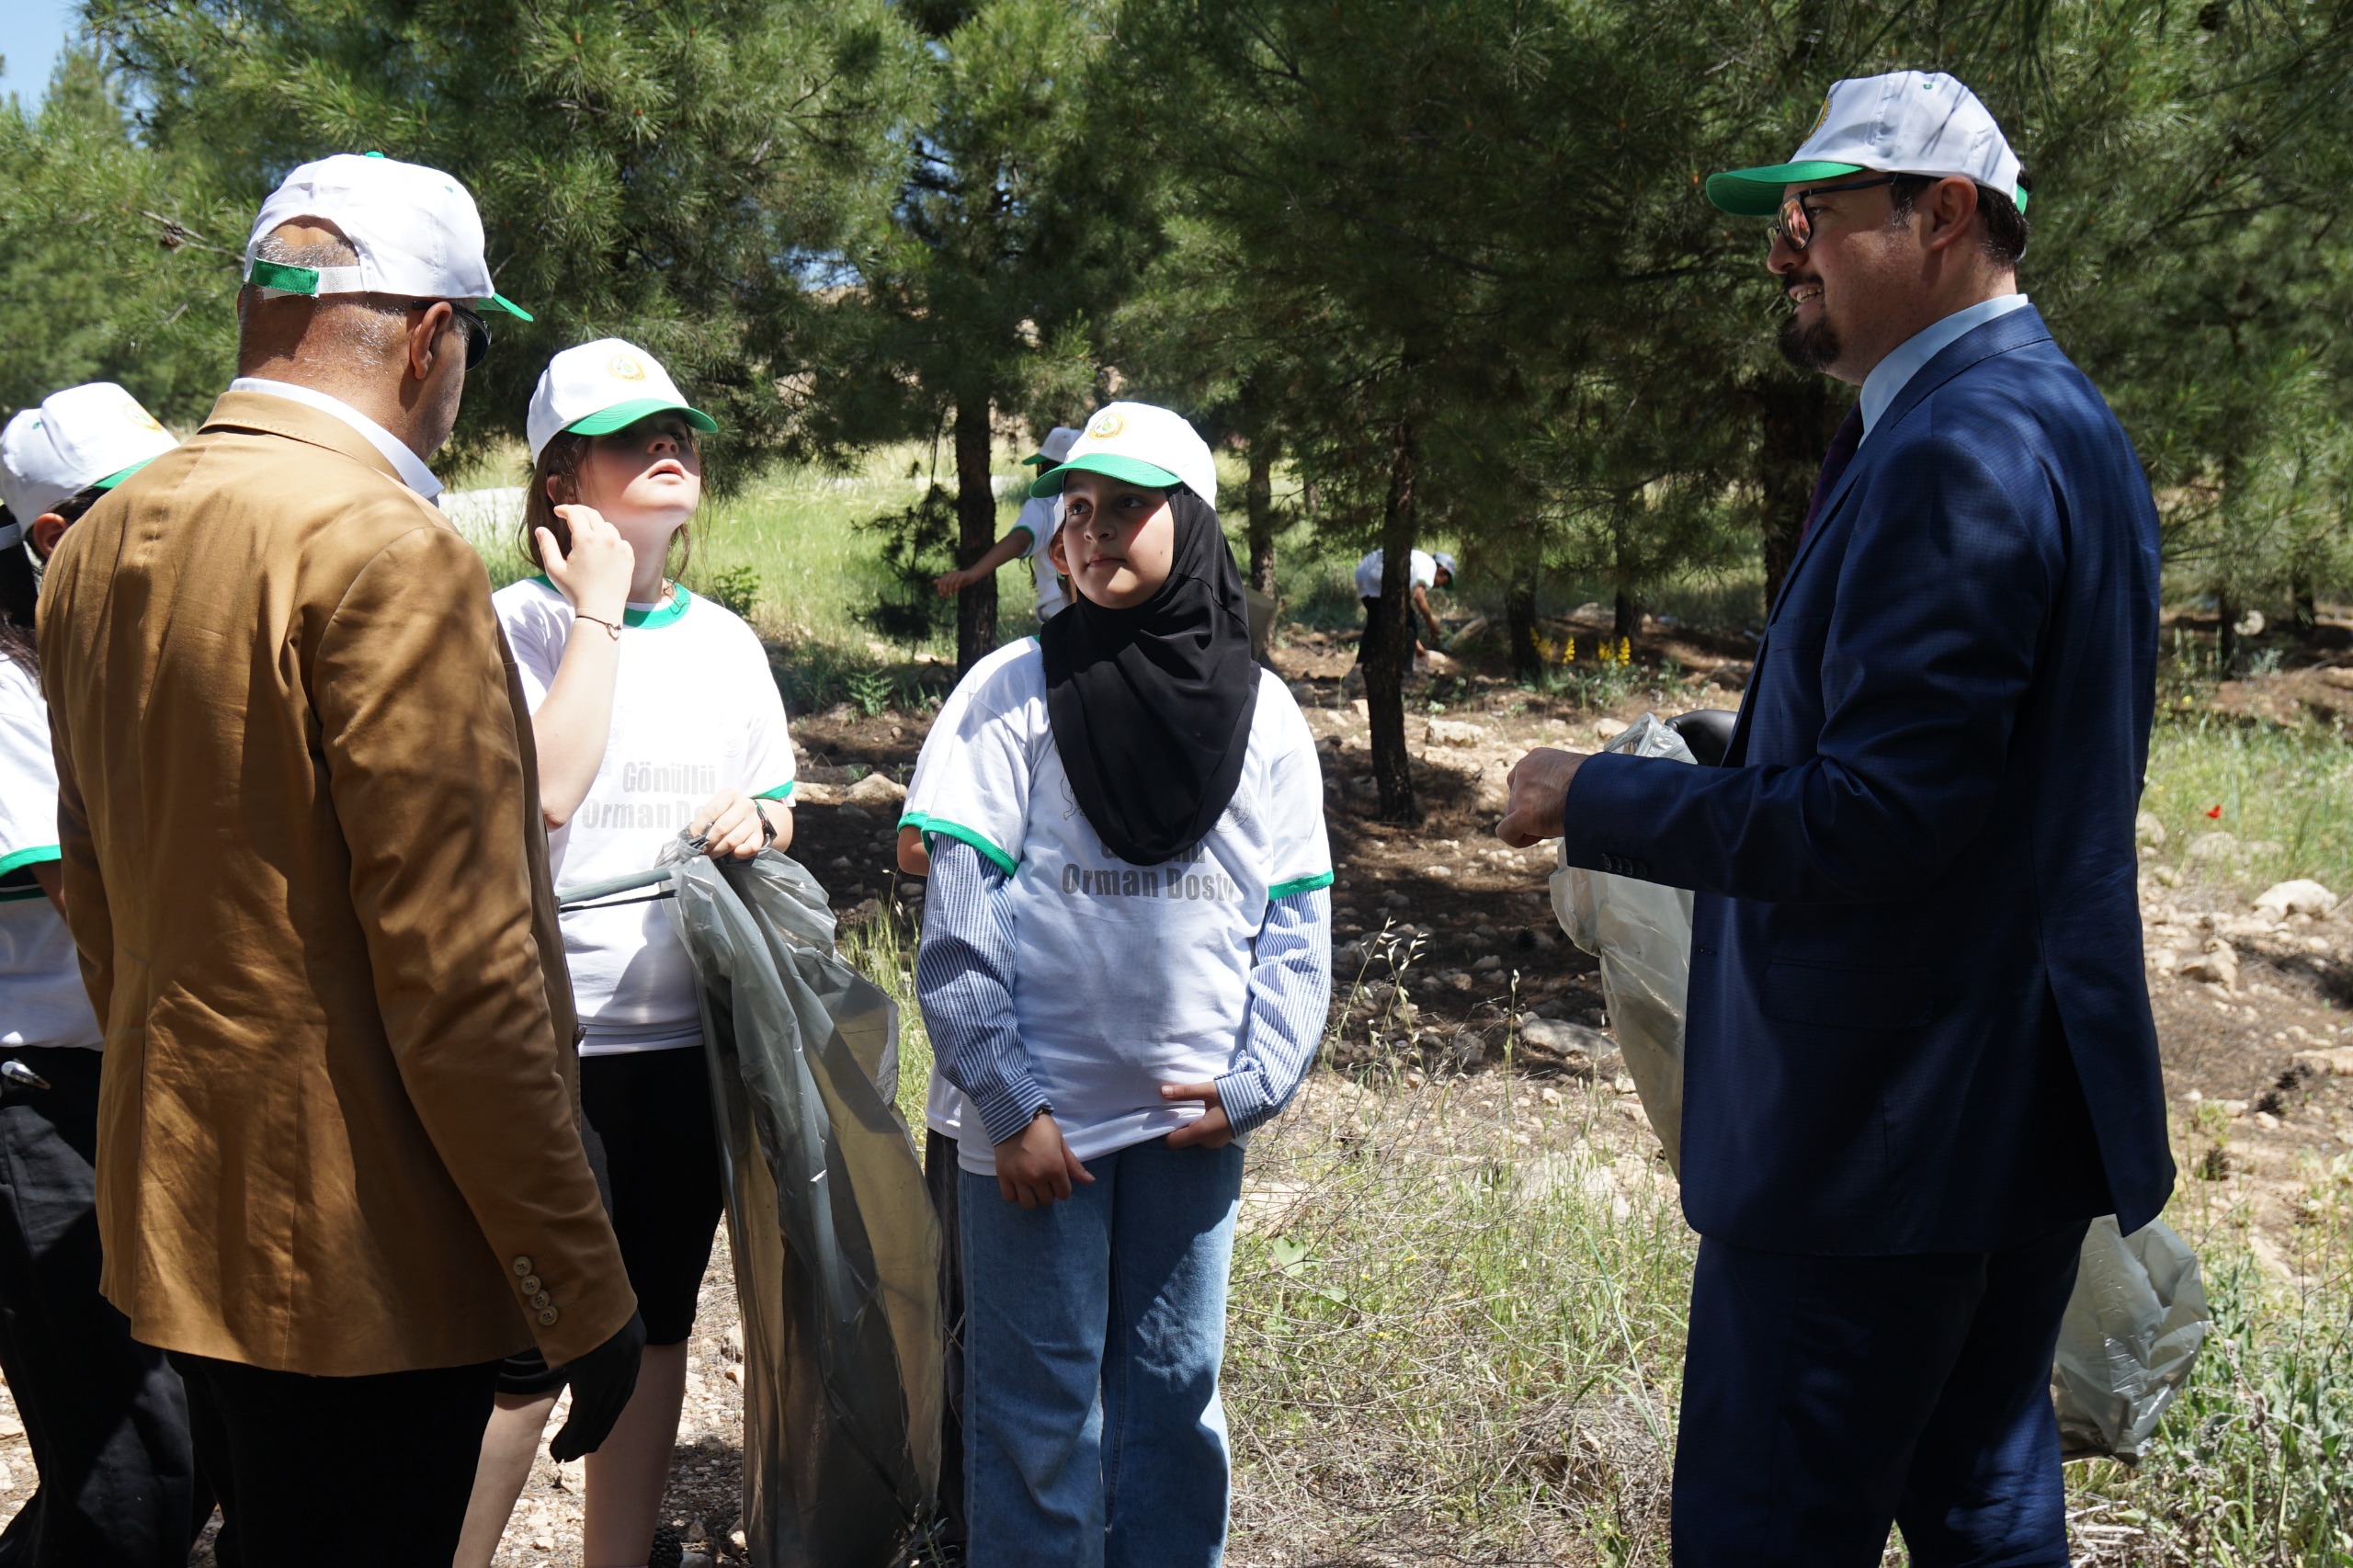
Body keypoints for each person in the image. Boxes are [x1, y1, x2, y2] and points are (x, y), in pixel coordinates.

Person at [1495, 73, 2172, 1567]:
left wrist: (1599, 796)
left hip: (1875, 1142)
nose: (1780, 248)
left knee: (1769, 1529)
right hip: (2004, 1124)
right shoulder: (2061, 425)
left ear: (1942, 218)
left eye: (1813, 212)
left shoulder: (1957, 446)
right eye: (1775, 218)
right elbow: (1978, 774)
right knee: (1982, 1508)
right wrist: (1740, 749)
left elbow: (1878, 820)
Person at [34, 153, 644, 1568]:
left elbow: (105, 910)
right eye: (473, 346)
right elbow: (466, 978)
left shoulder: (102, 540)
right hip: (372, 1261)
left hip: (187, 1224)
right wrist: (578, 1278)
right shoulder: (385, 549)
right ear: (433, 335)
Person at [913, 402, 1333, 1566]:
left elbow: (1297, 922)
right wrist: (1011, 1107)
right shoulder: (1009, 692)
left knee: (1171, 1403)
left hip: (1189, 1129)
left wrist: (1253, 1086)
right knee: (1036, 1422)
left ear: (1192, 523)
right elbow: (956, 928)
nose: (1090, 533)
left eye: (1128, 507)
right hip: (1034, 1140)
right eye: (1077, 510)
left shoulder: (1268, 714)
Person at [456, 338, 797, 1568]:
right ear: (562, 479)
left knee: (657, 1326)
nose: (668, 449)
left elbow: (777, 796)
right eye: (628, 436)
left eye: (680, 432)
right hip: (554, 1047)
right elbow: (545, 791)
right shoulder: (507, 626)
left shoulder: (727, 644)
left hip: (684, 1042)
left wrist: (762, 818)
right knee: (527, 1344)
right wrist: (594, 605)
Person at [0, 383, 201, 1568]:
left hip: (134, 1082)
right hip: (44, 1102)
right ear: (52, 538)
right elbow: (99, 912)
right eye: (146, 508)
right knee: (133, 1456)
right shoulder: (17, 692)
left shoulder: (134, 663)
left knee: (185, 1442)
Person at [932, 425, 1080, 622]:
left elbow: (1019, 540)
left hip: (1059, 607)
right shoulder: (1092, 505)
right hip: (1092, 604)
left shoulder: (1043, 505)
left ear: (1045, 470)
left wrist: (972, 573)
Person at [1351, 546, 1452, 653]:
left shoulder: (1417, 559)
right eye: (1444, 582)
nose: (1440, 586)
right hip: (1379, 573)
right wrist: (1432, 625)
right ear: (1442, 571)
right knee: (1408, 621)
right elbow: (1419, 597)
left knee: (1375, 622)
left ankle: (1363, 663)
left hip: (1362, 570)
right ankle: (1405, 668)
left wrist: (1418, 646)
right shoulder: (1430, 565)